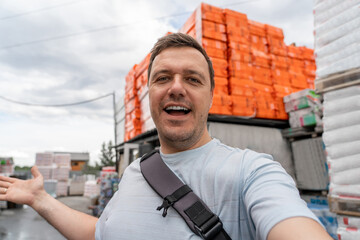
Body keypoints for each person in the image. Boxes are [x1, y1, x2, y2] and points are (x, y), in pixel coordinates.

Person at [0, 33, 332, 240]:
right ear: (149, 96)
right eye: (163, 78)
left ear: (211, 97)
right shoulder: (134, 173)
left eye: (193, 79)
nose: (176, 87)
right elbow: (100, 233)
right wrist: (39, 199)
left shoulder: (252, 171)